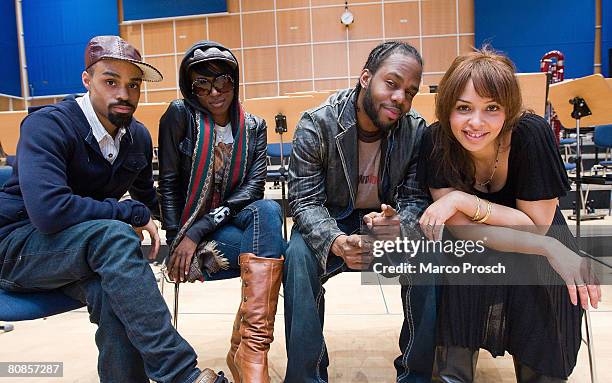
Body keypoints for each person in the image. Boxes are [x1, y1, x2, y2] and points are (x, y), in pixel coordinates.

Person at [0, 36, 227, 383]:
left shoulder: (135, 136)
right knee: (114, 234)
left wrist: (187, 237)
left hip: (78, 254)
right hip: (18, 247)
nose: (124, 93)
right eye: (110, 81)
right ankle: (182, 375)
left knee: (116, 293)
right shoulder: (47, 126)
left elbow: (149, 199)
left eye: (133, 85)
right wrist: (130, 214)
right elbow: (50, 212)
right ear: (87, 81)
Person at [417, 48, 601, 382]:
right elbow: (461, 230)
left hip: (540, 238)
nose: (476, 122)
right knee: (459, 270)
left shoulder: (531, 134)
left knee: (545, 283)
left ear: (508, 110)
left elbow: (538, 227)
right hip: (481, 242)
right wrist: (548, 247)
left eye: (491, 108)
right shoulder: (436, 141)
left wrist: (463, 200)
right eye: (463, 108)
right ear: (447, 109)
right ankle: (451, 373)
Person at [284, 41, 436, 383]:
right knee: (297, 256)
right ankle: (306, 377)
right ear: (366, 78)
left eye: (410, 92)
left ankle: (415, 376)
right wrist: (337, 242)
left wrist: (399, 225)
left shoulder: (415, 130)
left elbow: (415, 199)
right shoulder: (316, 124)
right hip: (332, 219)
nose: (400, 98)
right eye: (392, 84)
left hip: (385, 221)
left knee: (429, 254)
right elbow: (304, 202)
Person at [158, 40, 284, 383]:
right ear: (190, 88)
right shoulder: (179, 116)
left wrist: (203, 228)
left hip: (225, 225)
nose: (215, 92)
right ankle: (245, 354)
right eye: (203, 84)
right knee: (271, 244)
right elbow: (168, 182)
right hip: (189, 235)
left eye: (223, 82)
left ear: (235, 81)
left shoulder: (254, 126)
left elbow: (251, 190)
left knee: (268, 210)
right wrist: (177, 238)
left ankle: (251, 351)